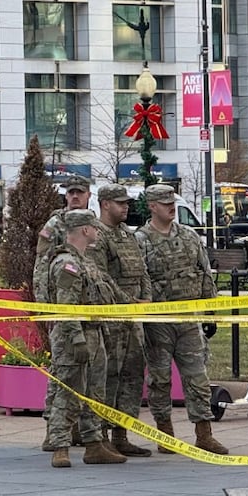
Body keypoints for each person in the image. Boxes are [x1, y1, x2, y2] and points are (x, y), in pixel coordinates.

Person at [134, 184, 228, 455]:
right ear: (152, 206)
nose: (170, 207)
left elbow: (204, 271)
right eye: (164, 203)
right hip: (158, 322)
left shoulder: (189, 236)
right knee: (160, 380)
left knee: (197, 377)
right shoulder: (141, 240)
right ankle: (165, 434)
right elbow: (139, 281)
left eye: (172, 202)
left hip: (188, 320)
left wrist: (210, 310)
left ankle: (204, 433)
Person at [46, 209, 128, 468]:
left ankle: (94, 445)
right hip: (73, 337)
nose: (96, 230)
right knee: (69, 391)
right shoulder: (66, 264)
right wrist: (77, 339)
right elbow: (66, 306)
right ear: (84, 229)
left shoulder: (87, 261)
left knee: (95, 393)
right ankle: (60, 446)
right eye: (93, 226)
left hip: (95, 334)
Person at [89, 183, 152, 457]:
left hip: (133, 318)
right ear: (105, 204)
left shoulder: (128, 235)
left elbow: (142, 270)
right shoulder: (96, 235)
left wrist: (145, 299)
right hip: (112, 318)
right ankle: (100, 437)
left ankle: (121, 433)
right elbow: (100, 277)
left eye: (127, 203)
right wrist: (128, 303)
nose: (126, 207)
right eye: (120, 203)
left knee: (132, 376)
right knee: (108, 377)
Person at [36, 173, 92, 452]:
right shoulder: (55, 224)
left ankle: (80, 429)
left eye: (79, 192)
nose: (74, 197)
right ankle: (53, 429)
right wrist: (46, 308)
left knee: (86, 374)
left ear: (88, 195)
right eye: (70, 193)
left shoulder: (93, 225)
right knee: (62, 370)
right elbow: (41, 267)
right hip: (61, 305)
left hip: (88, 308)